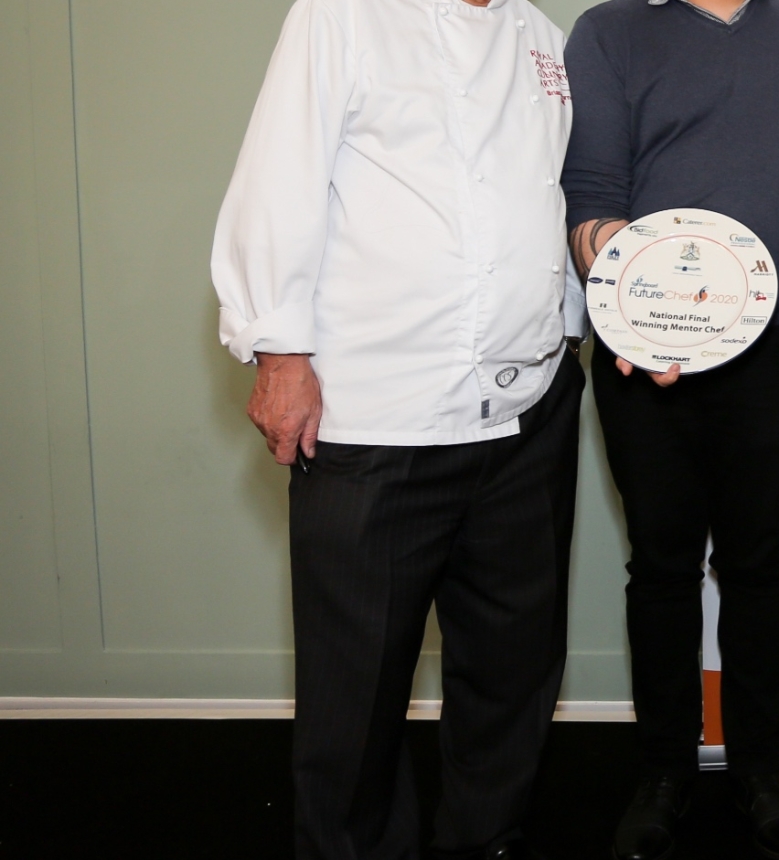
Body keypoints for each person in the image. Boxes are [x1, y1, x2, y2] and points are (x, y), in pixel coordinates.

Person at [209, 0, 581, 858]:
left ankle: (486, 837)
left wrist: (571, 330)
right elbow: (280, 177)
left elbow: (545, 201)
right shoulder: (341, 15)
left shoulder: (540, 37)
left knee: (513, 670)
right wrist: (280, 350)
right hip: (378, 412)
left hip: (527, 412)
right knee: (356, 689)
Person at [559, 2, 779, 858]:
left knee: (758, 564)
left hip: (775, 355)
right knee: (659, 567)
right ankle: (664, 772)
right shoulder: (610, 30)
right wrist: (632, 305)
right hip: (646, 359)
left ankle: (759, 773)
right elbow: (593, 194)